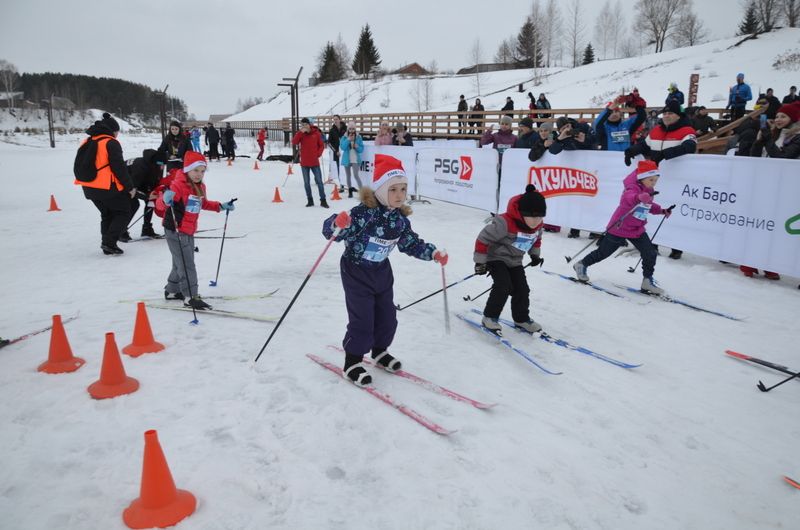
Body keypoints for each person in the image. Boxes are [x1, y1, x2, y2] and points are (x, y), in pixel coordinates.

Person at [321, 154, 448, 386]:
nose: (400, 195)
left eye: (403, 189)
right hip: (356, 271)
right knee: (363, 319)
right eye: (393, 190)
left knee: (387, 317)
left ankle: (379, 351)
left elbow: (410, 243)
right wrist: (336, 223)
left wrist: (432, 253)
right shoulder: (363, 214)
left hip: (381, 272)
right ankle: (352, 362)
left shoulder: (399, 220)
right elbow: (334, 231)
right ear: (380, 190)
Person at [573, 160, 671, 295]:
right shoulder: (632, 187)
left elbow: (648, 205)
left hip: (637, 228)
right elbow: (629, 198)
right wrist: (638, 197)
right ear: (642, 178)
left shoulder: (648, 189)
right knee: (604, 252)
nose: (653, 183)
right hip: (620, 226)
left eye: (655, 180)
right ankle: (582, 264)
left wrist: (661, 210)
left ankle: (647, 280)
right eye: (651, 180)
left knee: (650, 253)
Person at [157, 152, 235, 308]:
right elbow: (161, 205)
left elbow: (203, 204)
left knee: (180, 262)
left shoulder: (200, 186)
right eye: (195, 170)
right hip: (175, 230)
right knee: (187, 264)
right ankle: (190, 296)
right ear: (187, 169)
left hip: (189, 229)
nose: (199, 174)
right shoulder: (178, 185)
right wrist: (165, 199)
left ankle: (172, 290)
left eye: (202, 171)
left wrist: (220, 206)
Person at [624, 100, 697, 259]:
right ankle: (654, 243)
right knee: (656, 208)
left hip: (677, 178)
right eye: (665, 113)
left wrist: (666, 154)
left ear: (679, 115)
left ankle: (676, 247)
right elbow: (644, 145)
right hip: (657, 179)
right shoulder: (656, 130)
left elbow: (690, 146)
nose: (667, 116)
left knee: (673, 211)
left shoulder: (687, 130)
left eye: (671, 113)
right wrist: (630, 151)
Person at [473, 184, 546, 333]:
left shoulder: (537, 226)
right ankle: (489, 317)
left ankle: (521, 319)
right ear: (521, 213)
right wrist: (480, 261)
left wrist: (535, 255)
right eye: (532, 216)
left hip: (515, 260)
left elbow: (536, 240)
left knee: (522, 289)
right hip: (496, 258)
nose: (536, 221)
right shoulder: (505, 222)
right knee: (503, 286)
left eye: (539, 217)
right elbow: (483, 238)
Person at [75, 112, 136, 255]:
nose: (117, 135)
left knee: (107, 214)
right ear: (112, 131)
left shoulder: (88, 141)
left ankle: (107, 244)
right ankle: (109, 242)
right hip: (106, 187)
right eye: (117, 132)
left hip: (88, 186)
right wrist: (130, 187)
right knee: (123, 212)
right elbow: (119, 168)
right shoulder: (110, 143)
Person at [124, 149, 168, 240]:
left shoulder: (157, 164)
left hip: (140, 182)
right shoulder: (140, 167)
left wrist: (157, 191)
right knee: (134, 204)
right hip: (123, 183)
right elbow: (132, 189)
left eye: (164, 165)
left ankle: (146, 229)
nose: (163, 167)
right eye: (161, 165)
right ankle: (121, 230)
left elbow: (156, 181)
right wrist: (147, 195)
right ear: (155, 163)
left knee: (151, 201)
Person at [292, 117, 328, 208]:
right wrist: (300, 133)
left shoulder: (316, 133)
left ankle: (323, 200)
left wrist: (317, 154)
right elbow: (294, 142)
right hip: (304, 163)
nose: (304, 126)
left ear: (309, 125)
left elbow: (321, 146)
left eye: (305, 124)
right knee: (306, 183)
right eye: (302, 125)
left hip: (315, 162)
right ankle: (310, 200)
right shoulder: (301, 134)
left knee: (319, 182)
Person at [339, 125, 364, 198]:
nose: (351, 130)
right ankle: (350, 191)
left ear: (355, 129)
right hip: (347, 158)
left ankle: (362, 192)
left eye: (353, 128)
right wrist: (348, 140)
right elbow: (342, 147)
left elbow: (362, 149)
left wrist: (357, 146)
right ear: (348, 129)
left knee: (356, 175)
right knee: (348, 175)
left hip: (355, 159)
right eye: (350, 128)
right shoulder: (344, 137)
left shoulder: (358, 137)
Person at [327, 115, 347, 188]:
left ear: (340, 119)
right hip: (337, 153)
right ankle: (341, 184)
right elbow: (329, 142)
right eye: (334, 119)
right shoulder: (332, 130)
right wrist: (336, 151)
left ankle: (349, 184)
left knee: (347, 167)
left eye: (336, 119)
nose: (335, 121)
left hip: (345, 151)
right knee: (339, 168)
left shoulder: (345, 128)